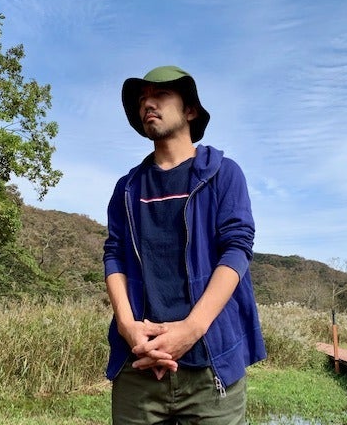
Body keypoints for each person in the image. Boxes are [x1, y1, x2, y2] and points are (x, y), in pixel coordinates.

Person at [103, 65, 266, 424]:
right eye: (142, 99)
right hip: (139, 364)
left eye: (160, 95)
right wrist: (128, 327)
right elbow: (114, 255)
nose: (148, 104)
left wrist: (191, 330)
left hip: (210, 366)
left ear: (190, 110)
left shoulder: (223, 174)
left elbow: (237, 248)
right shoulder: (127, 188)